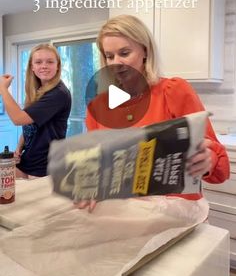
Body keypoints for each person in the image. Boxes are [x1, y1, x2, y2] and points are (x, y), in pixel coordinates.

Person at [79, 14, 229, 211]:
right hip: (122, 212)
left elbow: (221, 169)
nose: (116, 63)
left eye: (124, 53)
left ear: (145, 51)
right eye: (109, 56)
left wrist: (209, 159)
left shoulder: (173, 91)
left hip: (174, 213)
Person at [0, 43, 71, 178]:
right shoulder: (38, 91)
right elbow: (29, 123)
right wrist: (19, 148)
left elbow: (18, 119)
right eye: (38, 62)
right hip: (28, 162)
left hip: (44, 169)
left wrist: (3, 89)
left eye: (50, 62)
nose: (44, 66)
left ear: (58, 66)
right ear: (32, 67)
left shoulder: (58, 93)